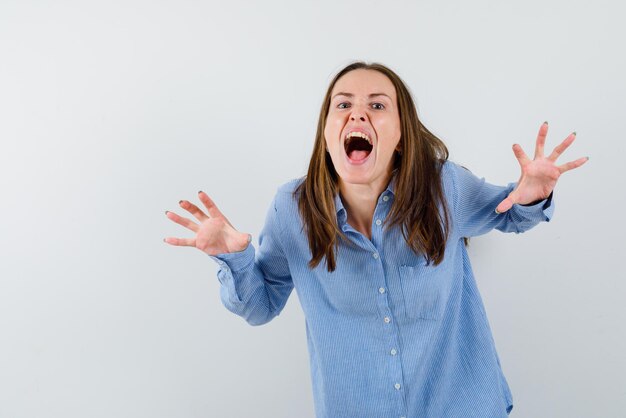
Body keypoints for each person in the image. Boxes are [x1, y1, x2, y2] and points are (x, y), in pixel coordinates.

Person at [164, 62, 588, 418]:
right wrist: (234, 257)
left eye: (377, 105)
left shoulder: (445, 188)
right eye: (343, 104)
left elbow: (511, 214)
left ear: (401, 136)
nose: (358, 115)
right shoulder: (291, 210)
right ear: (326, 133)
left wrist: (535, 193)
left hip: (463, 406)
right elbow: (259, 306)